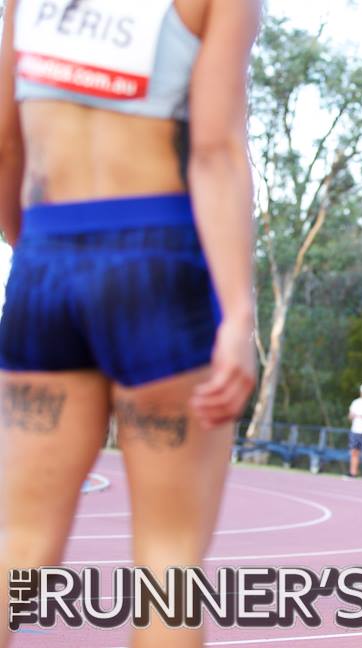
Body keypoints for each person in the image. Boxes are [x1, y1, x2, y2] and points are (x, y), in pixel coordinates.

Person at [0, 2, 261, 647]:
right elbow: (214, 151)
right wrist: (236, 314)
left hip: (46, 258)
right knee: (169, 563)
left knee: (16, 545)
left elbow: (7, 143)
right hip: (160, 259)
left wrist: (34, 253)